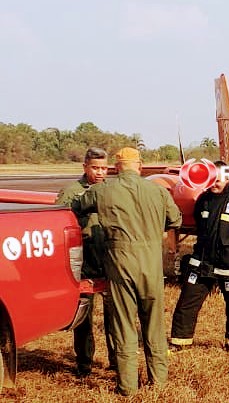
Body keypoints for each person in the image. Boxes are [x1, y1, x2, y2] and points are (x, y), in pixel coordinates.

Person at [73, 147, 182, 396]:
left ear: (116, 168)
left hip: (120, 266)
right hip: (151, 266)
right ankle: (159, 381)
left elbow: (79, 205)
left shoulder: (103, 190)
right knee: (153, 324)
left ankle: (127, 386)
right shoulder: (157, 191)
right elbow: (175, 219)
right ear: (140, 166)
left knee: (123, 325)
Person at [169, 160, 229, 353]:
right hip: (202, 262)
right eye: (213, 178)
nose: (216, 182)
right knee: (187, 302)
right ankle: (180, 341)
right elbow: (200, 228)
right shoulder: (203, 200)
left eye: (220, 178)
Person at [56, 147, 116, 377]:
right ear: (85, 167)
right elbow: (58, 223)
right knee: (83, 318)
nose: (101, 173)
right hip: (83, 263)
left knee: (115, 316)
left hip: (109, 260)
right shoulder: (71, 192)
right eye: (96, 168)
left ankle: (116, 360)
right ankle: (84, 364)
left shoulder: (113, 190)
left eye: (104, 168)